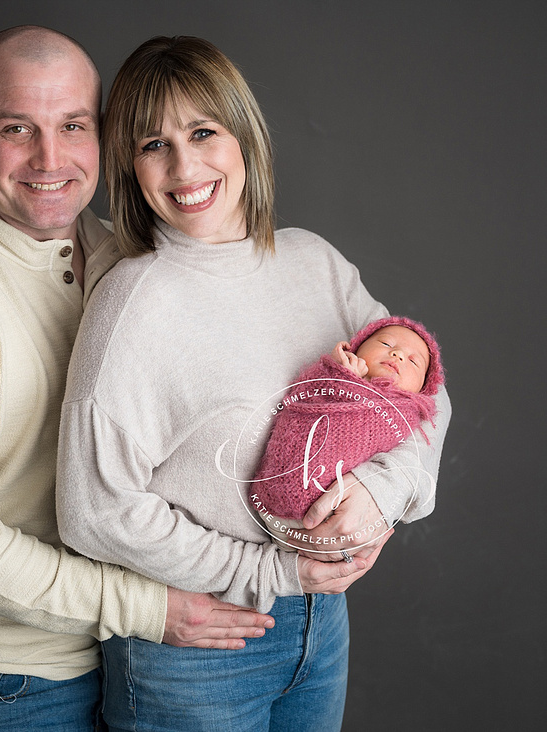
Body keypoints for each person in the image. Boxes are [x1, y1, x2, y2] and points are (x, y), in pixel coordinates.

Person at [0, 26, 273, 731]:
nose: (50, 158)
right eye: (17, 129)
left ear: (103, 134)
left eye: (73, 125)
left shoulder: (124, 259)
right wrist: (147, 608)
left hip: (118, 655)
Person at [56, 36, 452, 730]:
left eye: (204, 131)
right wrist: (275, 574)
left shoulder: (314, 263)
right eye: (154, 144)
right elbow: (93, 510)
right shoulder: (132, 302)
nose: (185, 166)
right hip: (197, 648)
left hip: (322, 628)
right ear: (130, 165)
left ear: (244, 136)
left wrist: (387, 494)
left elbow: (425, 387)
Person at [250, 317, 445, 553]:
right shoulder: (330, 376)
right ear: (356, 346)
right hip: (269, 510)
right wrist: (340, 374)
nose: (398, 355)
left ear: (423, 389)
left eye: (414, 362)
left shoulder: (406, 412)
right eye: (385, 344)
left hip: (339, 524)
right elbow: (301, 398)